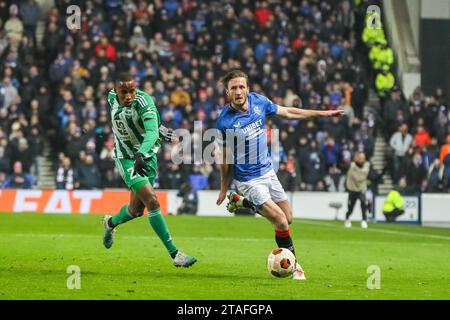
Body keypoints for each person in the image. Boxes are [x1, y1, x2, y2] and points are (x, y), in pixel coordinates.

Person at [215, 70, 344, 280]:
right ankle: (294, 266)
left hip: (267, 171)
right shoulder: (225, 122)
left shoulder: (259, 102)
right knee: (281, 222)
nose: (238, 91)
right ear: (227, 93)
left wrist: (324, 113)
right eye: (233, 88)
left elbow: (289, 112)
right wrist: (223, 187)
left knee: (288, 218)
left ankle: (241, 202)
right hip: (248, 180)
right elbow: (225, 159)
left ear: (247, 88)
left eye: (241, 86)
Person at [102, 72, 196, 268]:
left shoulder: (144, 103)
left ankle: (110, 223)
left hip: (146, 156)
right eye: (124, 92)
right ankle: (175, 254)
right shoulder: (111, 98)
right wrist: (137, 153)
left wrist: (143, 152)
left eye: (132, 91)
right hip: (126, 158)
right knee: (152, 200)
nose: (129, 96)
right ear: (116, 92)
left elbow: (152, 131)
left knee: (136, 211)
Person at [344, 152, 370, 229]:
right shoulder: (352, 167)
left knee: (363, 203)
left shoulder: (366, 166)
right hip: (352, 188)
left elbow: (363, 176)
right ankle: (348, 218)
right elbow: (356, 177)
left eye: (362, 158)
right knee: (351, 206)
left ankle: (364, 220)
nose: (361, 160)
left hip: (361, 188)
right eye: (360, 158)